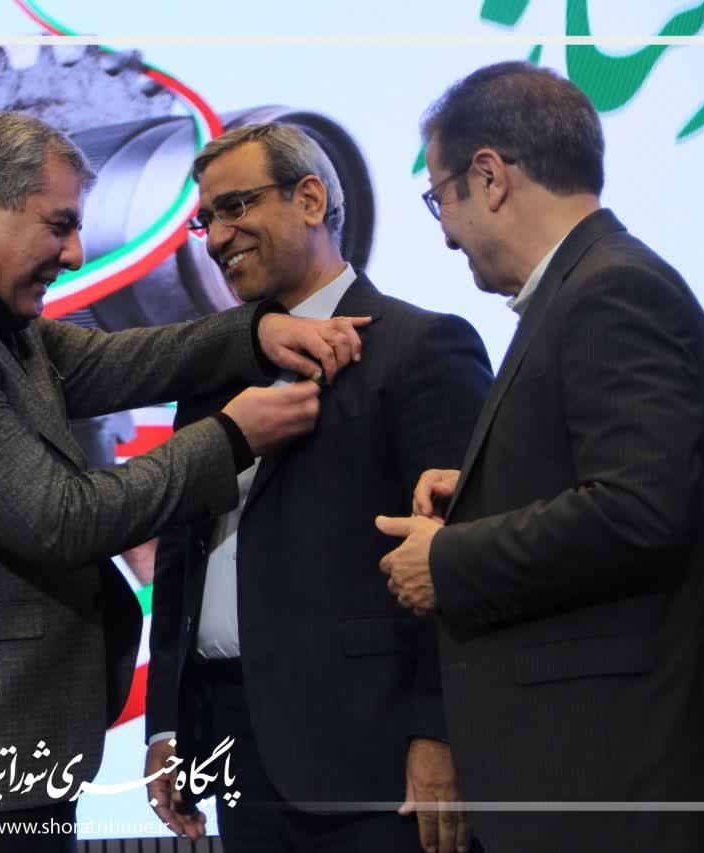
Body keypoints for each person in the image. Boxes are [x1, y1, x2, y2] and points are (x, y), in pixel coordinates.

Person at [0, 110, 374, 853]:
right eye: (59, 226)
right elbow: (62, 519)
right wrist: (232, 435)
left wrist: (254, 331)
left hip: (4, 756)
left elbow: (118, 362)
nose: (76, 254)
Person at [376, 61, 704, 852]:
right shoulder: (585, 286)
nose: (443, 231)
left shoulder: (612, 290)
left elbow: (639, 509)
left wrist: (448, 559)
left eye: (439, 197)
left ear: (489, 177)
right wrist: (483, 489)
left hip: (616, 780)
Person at [144, 123, 493, 853]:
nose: (217, 237)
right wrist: (166, 726)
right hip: (231, 744)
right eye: (207, 219)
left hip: (372, 753)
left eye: (236, 206)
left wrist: (441, 732)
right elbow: (180, 556)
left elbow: (463, 561)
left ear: (310, 199)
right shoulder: (212, 373)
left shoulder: (423, 348)